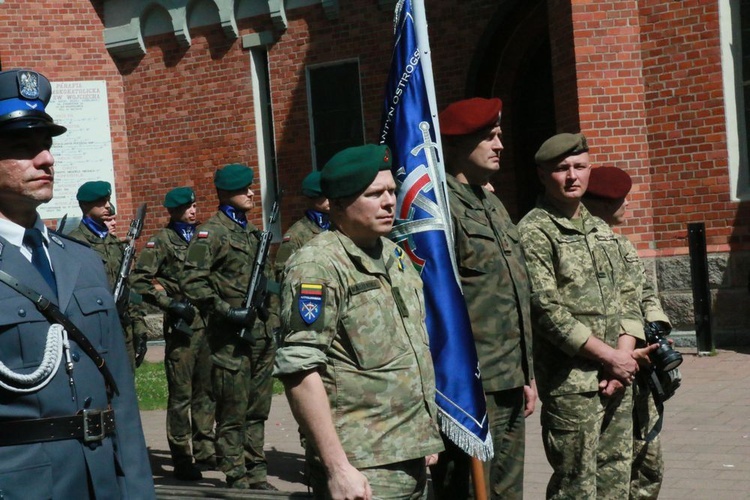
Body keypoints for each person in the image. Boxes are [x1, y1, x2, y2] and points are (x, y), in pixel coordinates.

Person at [0, 68, 154, 497]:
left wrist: (137, 488)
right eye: (23, 147)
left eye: (46, 146)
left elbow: (120, 395)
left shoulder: (83, 261)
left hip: (100, 480)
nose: (46, 159)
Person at [274, 144, 443, 499]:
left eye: (391, 192)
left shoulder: (394, 254)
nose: (388, 202)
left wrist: (422, 433)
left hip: (409, 454)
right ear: (337, 204)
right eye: (373, 194)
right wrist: (338, 468)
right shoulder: (318, 266)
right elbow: (299, 369)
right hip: (361, 466)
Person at [518, 132, 651, 499]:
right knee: (575, 486)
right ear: (544, 175)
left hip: (618, 377)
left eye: (580, 166)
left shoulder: (598, 228)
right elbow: (546, 310)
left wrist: (621, 357)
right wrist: (610, 358)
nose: (573, 176)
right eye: (562, 169)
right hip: (572, 385)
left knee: (616, 477)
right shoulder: (534, 232)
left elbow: (629, 294)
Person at [431, 97, 536, 499]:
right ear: (458, 144)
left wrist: (526, 374)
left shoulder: (491, 201)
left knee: (508, 490)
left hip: (508, 375)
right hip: (469, 383)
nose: (500, 145)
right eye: (489, 137)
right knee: (468, 491)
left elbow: (513, 290)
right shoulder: (441, 207)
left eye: (500, 136)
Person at [581, 166, 681, 499]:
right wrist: (622, 352)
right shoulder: (583, 246)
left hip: (641, 368)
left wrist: (656, 330)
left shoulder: (623, 245)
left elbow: (646, 294)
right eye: (621, 199)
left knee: (649, 463)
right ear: (604, 204)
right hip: (609, 367)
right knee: (609, 467)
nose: (627, 205)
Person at [180, 164, 277, 490]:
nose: (251, 193)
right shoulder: (210, 233)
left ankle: (258, 473)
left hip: (260, 335)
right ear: (225, 193)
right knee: (233, 412)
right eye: (244, 189)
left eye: (250, 188)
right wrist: (226, 311)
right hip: (229, 337)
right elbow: (192, 281)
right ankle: (237, 476)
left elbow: (269, 283)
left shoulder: (251, 233)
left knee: (258, 409)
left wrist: (273, 320)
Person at [130, 186, 216, 481]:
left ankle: (206, 449)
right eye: (188, 206)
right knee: (181, 395)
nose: (194, 210)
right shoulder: (162, 242)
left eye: (195, 204)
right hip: (182, 327)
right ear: (175, 210)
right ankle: (182, 457)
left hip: (208, 322)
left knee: (206, 390)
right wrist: (169, 303)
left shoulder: (204, 236)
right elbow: (139, 282)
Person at [66, 181, 145, 368]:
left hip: (122, 330)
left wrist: (139, 327)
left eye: (108, 200)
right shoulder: (73, 243)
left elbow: (129, 288)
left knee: (126, 390)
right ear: (85, 205)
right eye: (101, 202)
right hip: (93, 333)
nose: (108, 206)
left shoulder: (117, 244)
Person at [273, 170, 330, 281]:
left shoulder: (338, 225)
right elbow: (281, 273)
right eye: (322, 196)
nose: (329, 199)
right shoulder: (296, 235)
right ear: (311, 197)